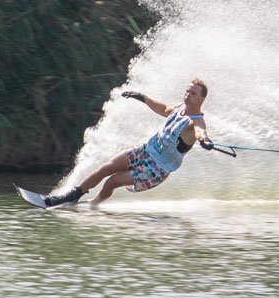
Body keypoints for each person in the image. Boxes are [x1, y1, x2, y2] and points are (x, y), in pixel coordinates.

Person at [44, 78, 214, 207]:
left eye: (193, 94)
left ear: (201, 99)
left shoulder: (196, 122)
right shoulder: (179, 109)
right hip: (146, 151)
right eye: (187, 91)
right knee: (106, 168)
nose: (188, 95)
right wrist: (143, 97)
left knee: (112, 181)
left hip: (157, 168)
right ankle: (71, 196)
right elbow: (163, 109)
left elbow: (200, 132)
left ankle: (93, 204)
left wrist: (205, 140)